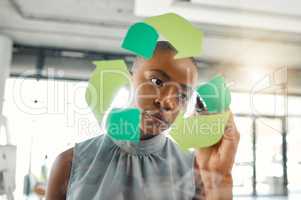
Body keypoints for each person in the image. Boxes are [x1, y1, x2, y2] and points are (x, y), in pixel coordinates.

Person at [45, 41, 240, 200]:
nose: (167, 102)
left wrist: (220, 179)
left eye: (181, 96)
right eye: (156, 81)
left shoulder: (193, 170)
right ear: (130, 79)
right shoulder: (70, 163)